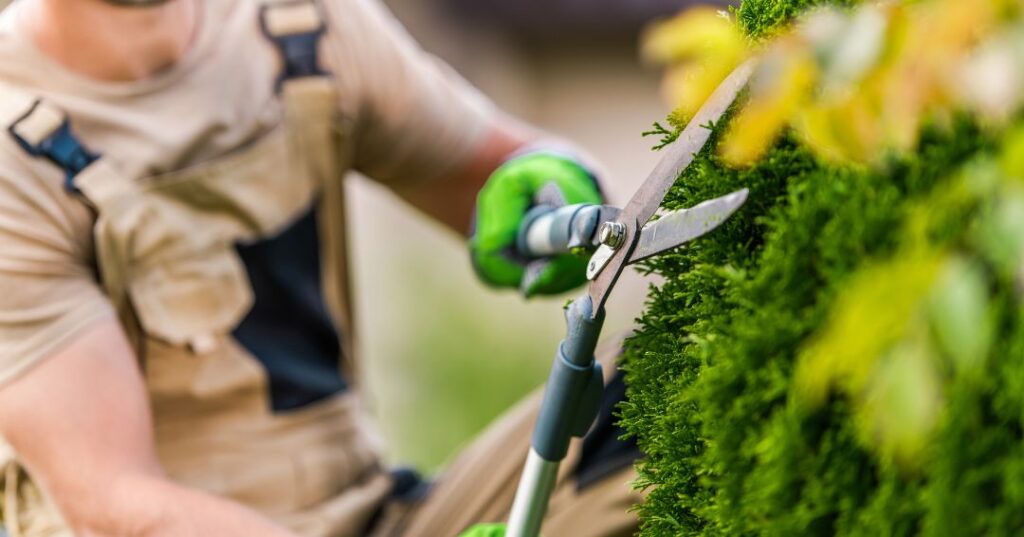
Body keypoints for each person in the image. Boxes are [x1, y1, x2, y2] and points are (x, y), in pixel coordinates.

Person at [0, 0, 643, 535]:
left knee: (658, 382)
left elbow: (497, 180)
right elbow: (115, 502)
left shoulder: (298, 25)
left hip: (375, 515)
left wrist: (556, 192)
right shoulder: (13, 143)